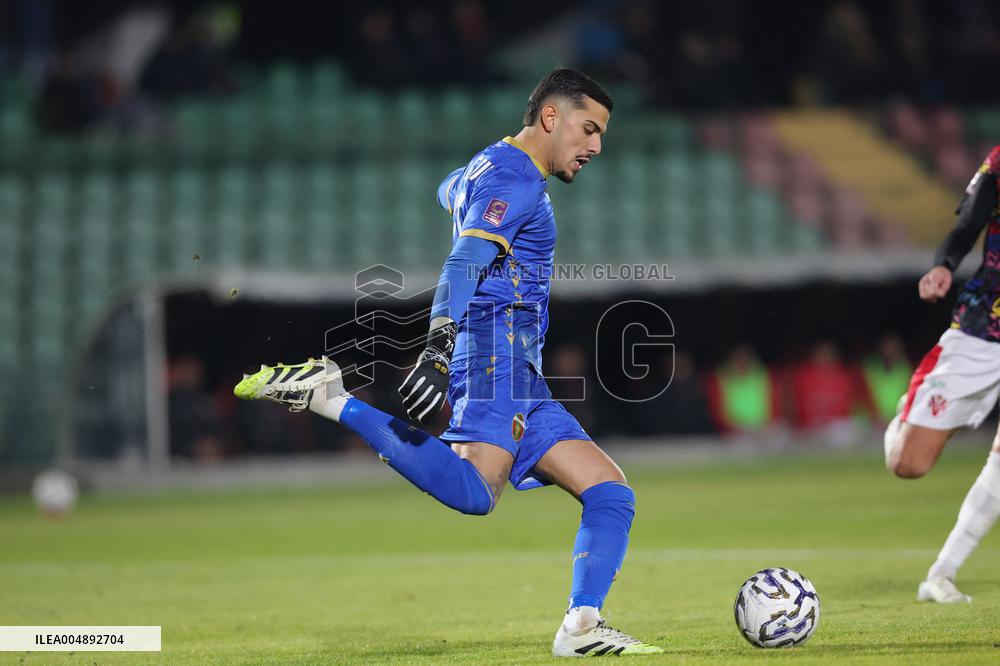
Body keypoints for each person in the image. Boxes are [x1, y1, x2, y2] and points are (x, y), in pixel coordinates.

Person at [234, 68, 663, 656]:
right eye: (589, 129)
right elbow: (463, 263)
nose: (596, 147)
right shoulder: (518, 183)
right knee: (476, 491)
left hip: (521, 371)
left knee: (610, 492)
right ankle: (332, 398)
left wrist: (468, 203)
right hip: (493, 356)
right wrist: (437, 346)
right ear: (550, 118)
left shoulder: (488, 168)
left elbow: (449, 189)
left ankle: (581, 628)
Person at [884, 145, 1000, 604]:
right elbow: (967, 225)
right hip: (983, 326)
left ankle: (941, 573)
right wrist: (942, 266)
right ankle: (905, 415)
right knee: (908, 465)